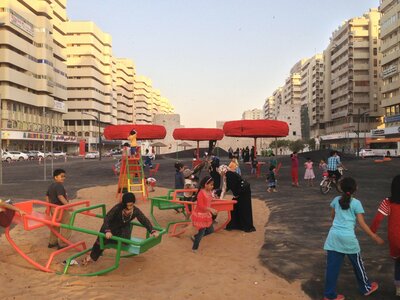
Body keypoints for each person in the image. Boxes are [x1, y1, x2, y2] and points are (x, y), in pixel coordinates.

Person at [323, 177, 383, 300]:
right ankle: (366, 288)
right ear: (355, 188)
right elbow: (361, 223)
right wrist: (374, 236)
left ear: (340, 188)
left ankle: (329, 295)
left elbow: (333, 216)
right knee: (358, 265)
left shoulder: (336, 200)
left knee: (332, 268)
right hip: (348, 239)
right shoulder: (356, 203)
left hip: (333, 237)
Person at [82, 193, 158, 264]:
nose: (130, 207)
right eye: (128, 205)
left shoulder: (135, 210)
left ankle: (108, 243)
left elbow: (143, 219)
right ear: (124, 204)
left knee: (125, 242)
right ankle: (91, 257)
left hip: (123, 229)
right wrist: (107, 230)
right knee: (101, 241)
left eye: (132, 205)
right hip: (111, 227)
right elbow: (107, 218)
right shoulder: (118, 208)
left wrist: (152, 230)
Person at [370, 174, 400, 296]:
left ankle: (398, 288)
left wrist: (372, 233)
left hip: (394, 238)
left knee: (398, 263)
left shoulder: (387, 202)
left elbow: (377, 219)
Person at [218, 165, 256, 232]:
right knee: (235, 207)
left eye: (220, 171)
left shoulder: (229, 174)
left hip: (243, 192)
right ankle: (235, 225)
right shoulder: (228, 174)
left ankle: (247, 227)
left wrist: (220, 194)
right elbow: (227, 187)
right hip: (241, 192)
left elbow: (229, 186)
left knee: (244, 209)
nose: (220, 173)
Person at [191, 176, 218, 252]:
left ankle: (195, 237)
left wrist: (214, 198)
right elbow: (200, 205)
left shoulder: (209, 192)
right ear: (205, 184)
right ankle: (194, 248)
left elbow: (210, 200)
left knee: (210, 230)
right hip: (200, 215)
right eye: (211, 185)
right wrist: (210, 209)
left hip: (206, 215)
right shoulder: (201, 193)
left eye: (213, 185)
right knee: (201, 232)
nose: (212, 186)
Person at [46, 169, 71, 249]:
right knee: (66, 224)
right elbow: (60, 196)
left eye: (64, 176)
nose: (63, 178)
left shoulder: (51, 186)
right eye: (61, 176)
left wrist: (48, 208)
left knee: (55, 225)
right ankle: (63, 243)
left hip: (54, 208)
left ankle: (52, 242)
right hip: (61, 208)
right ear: (56, 177)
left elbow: (47, 196)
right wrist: (68, 206)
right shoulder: (59, 185)